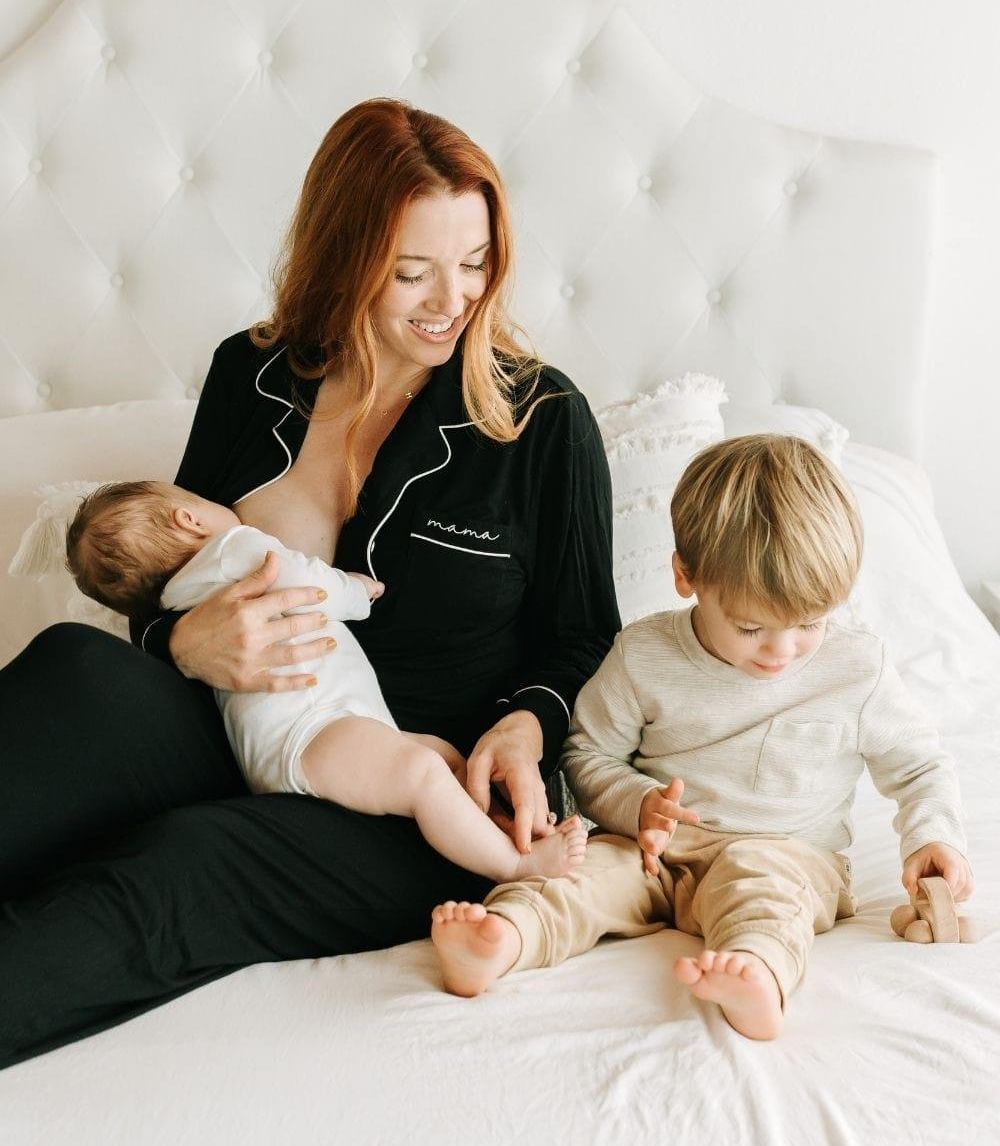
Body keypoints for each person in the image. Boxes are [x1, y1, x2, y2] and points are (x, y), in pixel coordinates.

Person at [0, 97, 619, 1069]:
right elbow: (169, 573)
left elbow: (582, 635)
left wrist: (527, 721)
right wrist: (180, 641)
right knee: (76, 665)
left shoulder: (541, 420)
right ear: (346, 254)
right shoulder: (249, 376)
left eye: (474, 263)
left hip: (411, 792)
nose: (451, 299)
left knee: (184, 861)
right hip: (237, 723)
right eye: (411, 271)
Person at [431, 434, 973, 1041]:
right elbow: (585, 752)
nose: (782, 650)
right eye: (750, 627)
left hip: (786, 853)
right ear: (685, 577)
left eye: (809, 624)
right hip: (653, 851)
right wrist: (638, 804)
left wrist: (933, 836)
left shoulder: (856, 668)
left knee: (767, 896)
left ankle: (758, 975)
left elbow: (920, 765)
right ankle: (503, 939)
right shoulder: (643, 654)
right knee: (577, 875)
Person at [64, 481, 586, 882]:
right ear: (189, 517)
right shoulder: (230, 550)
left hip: (294, 744)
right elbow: (304, 578)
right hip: (314, 732)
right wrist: (355, 591)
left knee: (445, 759)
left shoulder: (180, 602)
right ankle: (516, 866)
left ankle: (507, 832)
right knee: (425, 772)